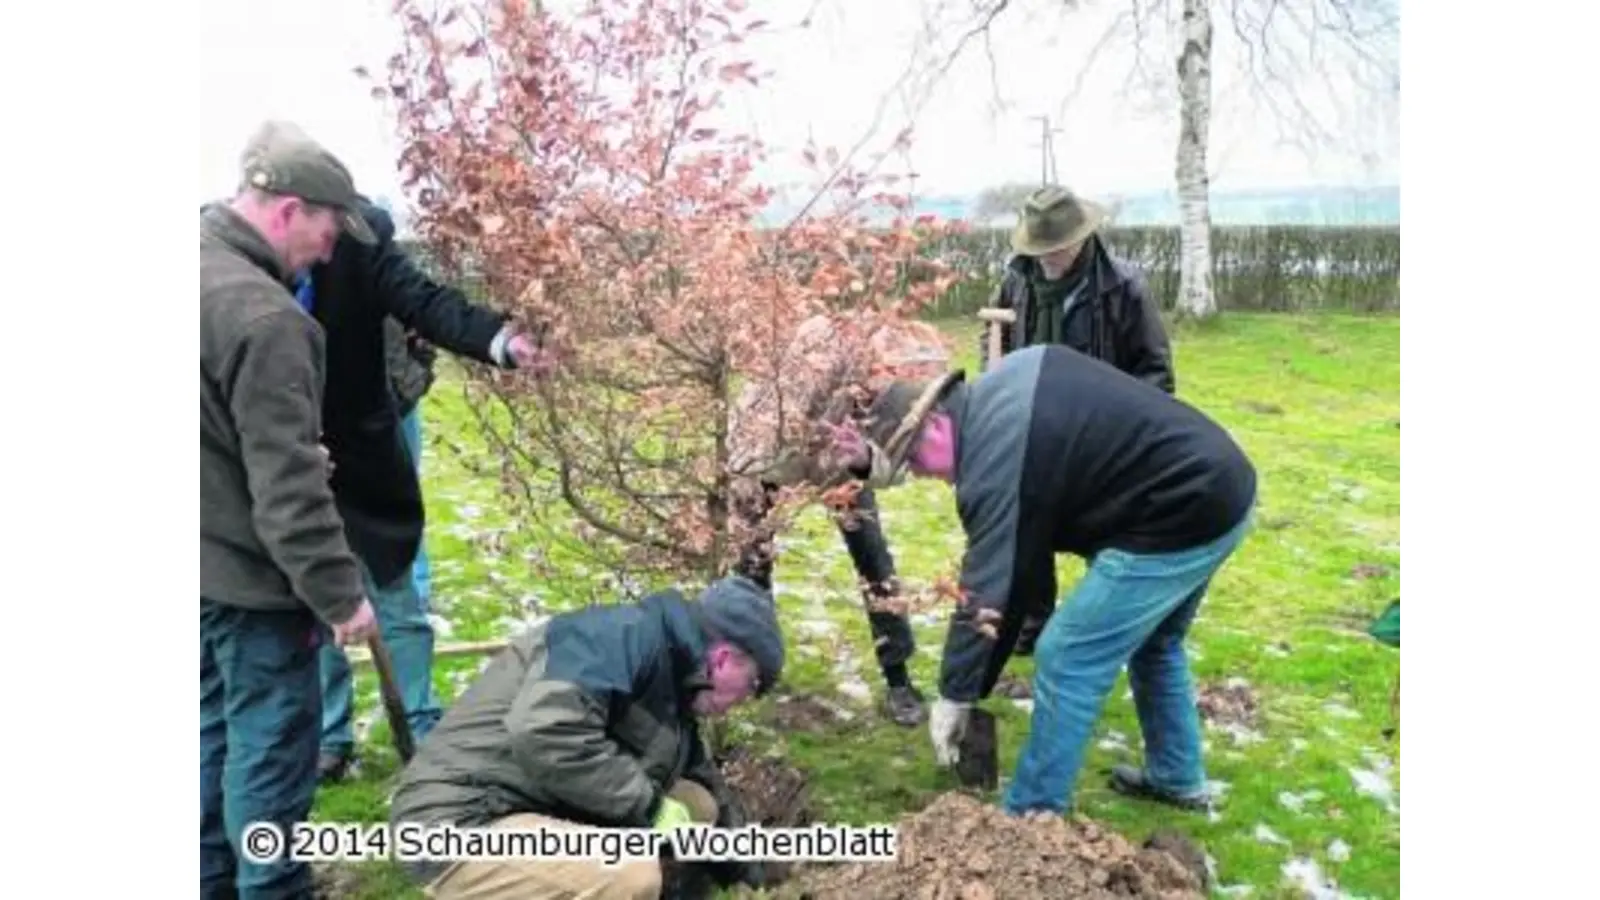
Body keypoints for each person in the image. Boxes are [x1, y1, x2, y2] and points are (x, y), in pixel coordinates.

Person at [239, 121, 556, 783]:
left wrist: (501, 340)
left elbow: (423, 300)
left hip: (363, 449)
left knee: (394, 595)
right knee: (316, 596)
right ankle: (331, 736)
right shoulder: (228, 260)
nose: (328, 247)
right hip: (282, 455)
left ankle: (422, 723)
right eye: (325, 226)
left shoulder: (361, 240)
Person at [840, 343, 1256, 816]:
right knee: (1155, 643)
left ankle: (1032, 818)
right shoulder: (1001, 393)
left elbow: (989, 584)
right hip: (1220, 487)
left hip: (1181, 512)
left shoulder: (993, 461)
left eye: (913, 460)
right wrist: (974, 683)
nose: (919, 474)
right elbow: (1021, 570)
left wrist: (956, 693)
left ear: (934, 425)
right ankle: (1177, 778)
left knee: (1067, 654)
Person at [200, 130, 382, 898]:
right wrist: (340, 596)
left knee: (209, 747)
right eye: (328, 231)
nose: (329, 252)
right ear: (289, 210)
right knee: (271, 766)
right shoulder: (268, 320)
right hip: (252, 583)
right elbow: (289, 491)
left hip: (196, 568)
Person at [388, 575, 782, 899]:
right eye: (752, 686)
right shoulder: (617, 639)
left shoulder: (677, 677)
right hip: (463, 819)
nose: (743, 701)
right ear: (725, 659)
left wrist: (748, 869)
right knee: (630, 876)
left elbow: (700, 775)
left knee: (697, 804)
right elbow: (546, 731)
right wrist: (648, 807)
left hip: (533, 801)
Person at [727, 314, 951, 727]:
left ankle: (898, 678)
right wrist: (757, 491)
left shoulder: (885, 389)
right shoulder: (809, 368)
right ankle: (752, 667)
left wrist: (863, 463)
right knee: (752, 567)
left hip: (840, 461)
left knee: (874, 560)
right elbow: (762, 440)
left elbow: (894, 461)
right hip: (764, 460)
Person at [982, 185, 1179, 654]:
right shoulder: (1016, 281)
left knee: (1107, 532)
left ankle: (1113, 622)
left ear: (1080, 239)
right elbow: (997, 343)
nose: (1048, 258)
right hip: (1036, 428)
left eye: (1057, 248)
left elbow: (1155, 370)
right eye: (1040, 249)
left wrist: (1128, 435)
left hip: (1100, 436)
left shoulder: (1122, 286)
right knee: (1029, 525)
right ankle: (1032, 623)